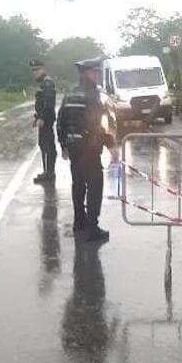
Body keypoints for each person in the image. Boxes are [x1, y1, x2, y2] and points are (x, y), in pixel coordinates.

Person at [57, 58, 119, 241]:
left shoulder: (70, 95)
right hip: (89, 149)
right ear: (86, 74)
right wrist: (111, 146)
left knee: (78, 185)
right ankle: (92, 228)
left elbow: (60, 122)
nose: (98, 75)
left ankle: (79, 222)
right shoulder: (93, 96)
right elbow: (98, 126)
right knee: (94, 187)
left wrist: (64, 145)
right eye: (95, 72)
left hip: (74, 148)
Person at [29, 59, 57, 184]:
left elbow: (48, 103)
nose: (34, 73)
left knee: (48, 147)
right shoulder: (43, 84)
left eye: (37, 70)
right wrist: (37, 117)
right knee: (43, 145)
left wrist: (42, 118)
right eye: (33, 70)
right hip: (44, 120)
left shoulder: (47, 83)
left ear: (43, 70)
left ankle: (49, 173)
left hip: (47, 120)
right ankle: (47, 171)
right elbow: (41, 104)